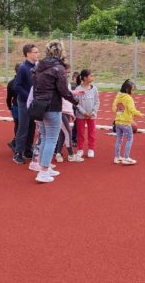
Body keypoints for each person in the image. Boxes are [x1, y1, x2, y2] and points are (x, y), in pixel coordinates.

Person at [31, 40, 82, 183]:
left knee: (45, 137)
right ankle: (43, 171)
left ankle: (44, 167)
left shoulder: (39, 65)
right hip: (52, 106)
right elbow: (64, 91)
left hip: (39, 105)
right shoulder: (59, 68)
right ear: (60, 52)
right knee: (51, 139)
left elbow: (35, 84)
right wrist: (75, 101)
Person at [13, 43, 40, 164]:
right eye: (35, 52)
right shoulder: (23, 68)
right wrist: (28, 97)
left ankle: (28, 149)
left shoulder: (37, 67)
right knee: (23, 126)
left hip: (34, 102)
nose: (38, 54)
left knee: (31, 126)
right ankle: (18, 152)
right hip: (24, 102)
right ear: (28, 53)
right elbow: (16, 86)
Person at [54, 65, 82, 163]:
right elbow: (64, 95)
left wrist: (76, 92)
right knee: (68, 132)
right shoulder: (59, 82)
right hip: (60, 110)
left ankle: (58, 153)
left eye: (69, 72)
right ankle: (70, 154)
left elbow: (68, 93)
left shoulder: (66, 82)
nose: (68, 74)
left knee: (63, 133)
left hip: (65, 110)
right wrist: (74, 100)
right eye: (66, 72)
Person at [112, 79, 142, 165]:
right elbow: (132, 110)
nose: (133, 91)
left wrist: (119, 113)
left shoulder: (118, 96)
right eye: (132, 89)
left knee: (119, 139)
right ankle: (126, 158)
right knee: (129, 139)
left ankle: (117, 157)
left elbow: (114, 108)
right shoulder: (129, 98)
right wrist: (139, 114)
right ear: (127, 89)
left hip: (117, 122)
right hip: (126, 123)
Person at [74, 69, 100, 158]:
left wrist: (93, 112)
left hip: (92, 115)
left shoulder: (94, 88)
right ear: (85, 78)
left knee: (91, 132)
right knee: (80, 133)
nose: (93, 77)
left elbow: (97, 102)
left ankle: (91, 149)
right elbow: (76, 103)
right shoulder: (78, 89)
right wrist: (84, 112)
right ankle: (80, 149)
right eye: (91, 76)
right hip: (81, 115)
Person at [6, 62, 21, 152]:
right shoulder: (15, 83)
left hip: (14, 106)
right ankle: (15, 143)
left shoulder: (11, 83)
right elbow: (8, 97)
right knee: (21, 126)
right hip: (18, 107)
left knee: (18, 125)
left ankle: (16, 142)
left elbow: (8, 98)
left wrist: (9, 107)